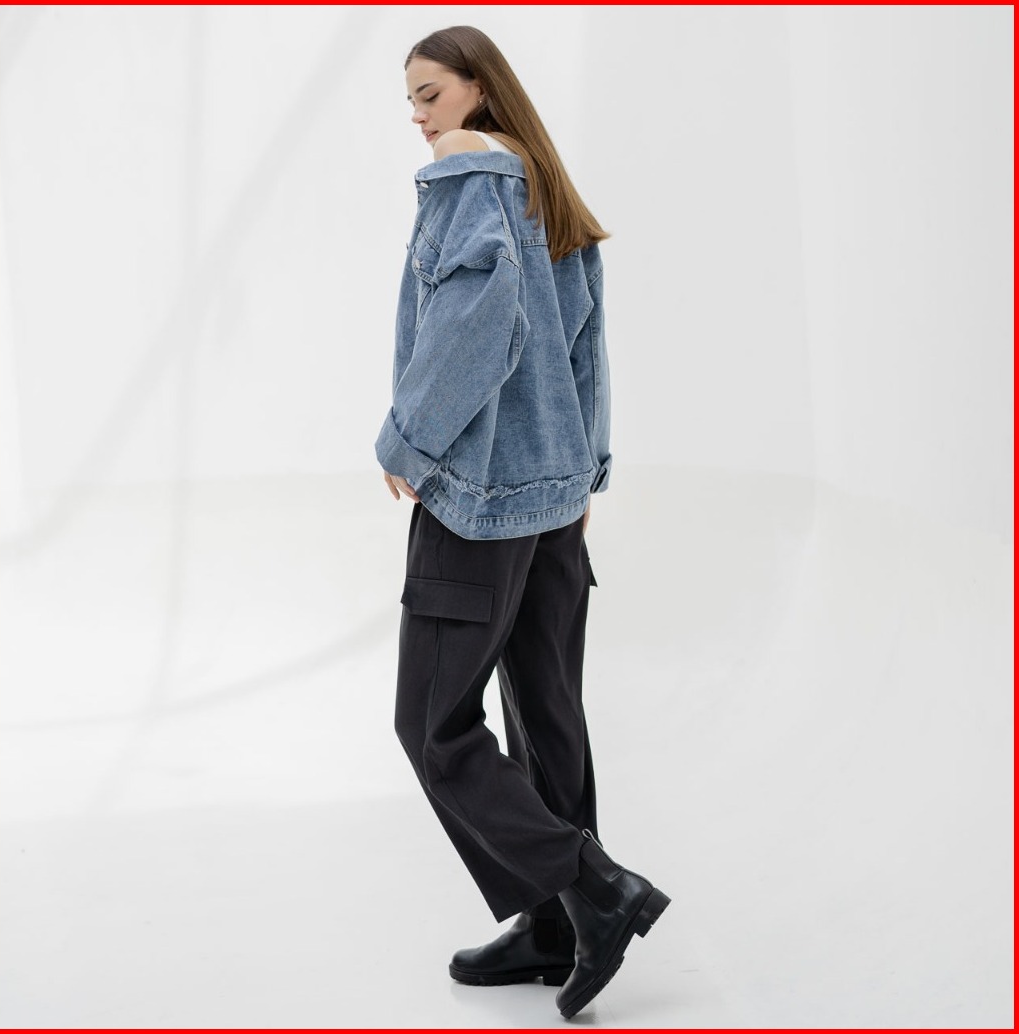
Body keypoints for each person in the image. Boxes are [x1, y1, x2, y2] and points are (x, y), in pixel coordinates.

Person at [374, 25, 669, 1020]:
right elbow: (586, 345)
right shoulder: (547, 187)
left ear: (478, 87)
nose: (419, 118)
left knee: (434, 726)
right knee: (545, 717)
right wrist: (583, 471)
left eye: (430, 94)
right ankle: (554, 928)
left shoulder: (470, 175)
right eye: (411, 101)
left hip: (480, 500)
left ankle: (595, 890)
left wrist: (407, 439)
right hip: (554, 500)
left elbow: (478, 323)